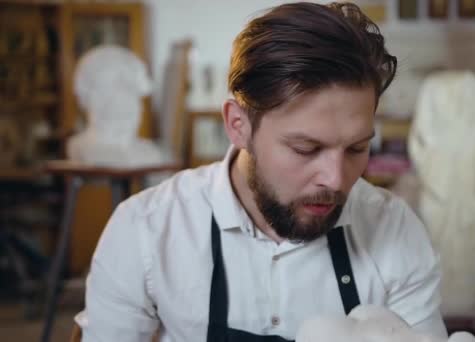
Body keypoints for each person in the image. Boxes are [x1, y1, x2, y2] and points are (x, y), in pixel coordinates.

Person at [76, 2, 447, 341]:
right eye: (306, 149)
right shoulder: (147, 229)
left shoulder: (395, 232)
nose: (335, 179)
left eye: (356, 148)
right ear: (238, 125)